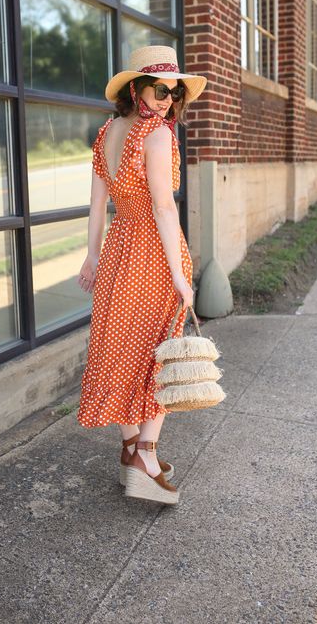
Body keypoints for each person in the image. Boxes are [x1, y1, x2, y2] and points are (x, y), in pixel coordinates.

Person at [76, 45, 207, 505]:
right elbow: (164, 207)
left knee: (125, 350)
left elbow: (96, 205)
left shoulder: (107, 132)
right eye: (159, 89)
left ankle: (131, 449)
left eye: (174, 91)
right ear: (135, 88)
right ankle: (147, 458)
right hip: (152, 253)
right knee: (160, 354)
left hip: (117, 251)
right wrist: (181, 276)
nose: (168, 99)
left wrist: (92, 256)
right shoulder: (156, 136)